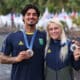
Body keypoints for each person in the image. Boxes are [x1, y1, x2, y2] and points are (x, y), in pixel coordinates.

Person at [0, 4, 46, 80]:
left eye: (34, 15)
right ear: (23, 18)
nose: (31, 16)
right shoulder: (12, 36)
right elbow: (1, 59)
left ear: (37, 19)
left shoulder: (44, 36)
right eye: (28, 14)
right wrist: (17, 59)